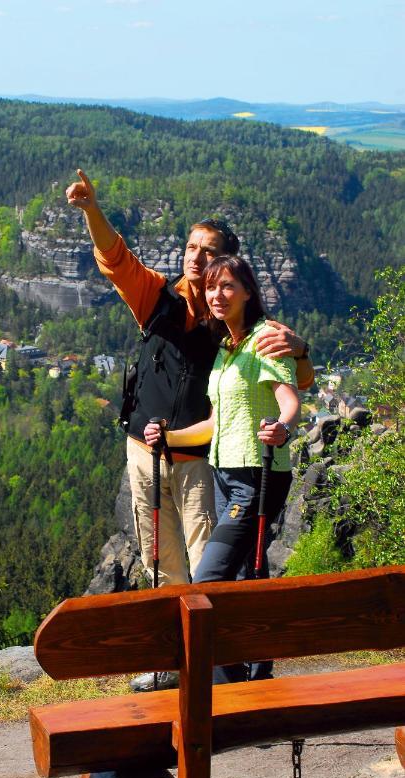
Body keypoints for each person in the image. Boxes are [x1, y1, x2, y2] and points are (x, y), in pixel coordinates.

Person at [66, 169, 313, 594]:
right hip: (145, 450)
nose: (195, 257)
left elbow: (298, 380)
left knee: (206, 563)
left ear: (225, 264)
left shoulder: (234, 321)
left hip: (200, 459)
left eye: (208, 251)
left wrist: (301, 349)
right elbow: (115, 258)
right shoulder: (157, 298)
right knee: (159, 561)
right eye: (191, 247)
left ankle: (208, 655)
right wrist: (92, 210)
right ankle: (175, 658)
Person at [144, 255, 300, 684]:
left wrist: (283, 428)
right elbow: (215, 423)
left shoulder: (266, 338)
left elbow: (290, 400)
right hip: (224, 473)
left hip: (257, 473)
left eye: (228, 286)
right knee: (250, 571)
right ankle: (256, 676)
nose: (217, 295)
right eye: (212, 287)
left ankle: (226, 684)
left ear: (248, 291)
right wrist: (168, 437)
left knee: (207, 580)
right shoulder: (227, 348)